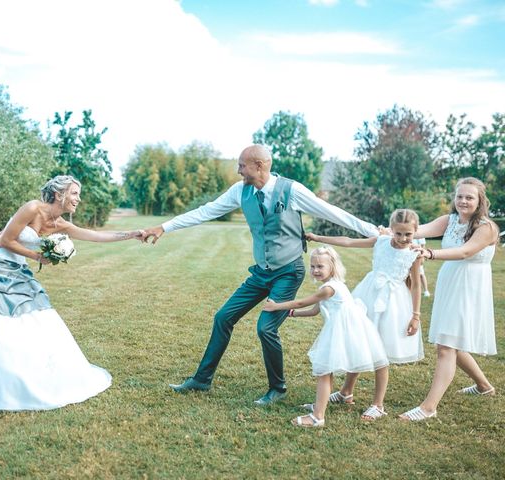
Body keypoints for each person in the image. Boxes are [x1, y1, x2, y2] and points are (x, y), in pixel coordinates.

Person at [143, 144, 379, 405]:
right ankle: (201, 379)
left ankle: (277, 388)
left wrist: (373, 232)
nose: (238, 170)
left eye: (242, 165)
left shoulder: (291, 190)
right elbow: (205, 211)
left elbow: (333, 212)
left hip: (288, 271)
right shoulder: (240, 191)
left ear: (259, 166)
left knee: (265, 328)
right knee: (223, 317)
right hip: (260, 273)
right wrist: (164, 227)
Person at [0, 175, 144, 410]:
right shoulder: (32, 208)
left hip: (18, 271)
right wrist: (38, 256)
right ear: (59, 194)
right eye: (74, 193)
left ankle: (28, 373)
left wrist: (132, 234)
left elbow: (97, 236)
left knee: (33, 318)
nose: (77, 199)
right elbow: (7, 240)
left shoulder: (62, 224)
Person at [305, 209, 424, 420]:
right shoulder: (380, 241)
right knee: (358, 341)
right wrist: (318, 238)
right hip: (368, 295)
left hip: (393, 303)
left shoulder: (414, 253)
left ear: (415, 232)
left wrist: (415, 315)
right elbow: (349, 242)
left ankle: (378, 404)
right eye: (398, 234)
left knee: (381, 353)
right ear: (391, 230)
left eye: (408, 234)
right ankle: (345, 392)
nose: (403, 239)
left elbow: (415, 285)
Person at [400, 177, 498, 422]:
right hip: (450, 282)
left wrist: (430, 253)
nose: (463, 201)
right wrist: (396, 232)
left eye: (469, 197)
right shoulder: (449, 220)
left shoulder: (487, 227)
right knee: (451, 340)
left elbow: (465, 251)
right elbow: (417, 231)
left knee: (446, 345)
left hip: (469, 287)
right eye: (460, 196)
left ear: (479, 201)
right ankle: (484, 386)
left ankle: (428, 407)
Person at [263, 246, 388, 427]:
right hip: (348, 329)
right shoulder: (335, 285)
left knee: (323, 371)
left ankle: (317, 416)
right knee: (326, 371)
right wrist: (292, 314)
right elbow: (315, 310)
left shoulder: (329, 289)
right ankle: (331, 402)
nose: (315, 270)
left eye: (320, 266)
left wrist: (276, 306)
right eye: (313, 266)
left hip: (342, 331)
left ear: (332, 266)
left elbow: (302, 302)